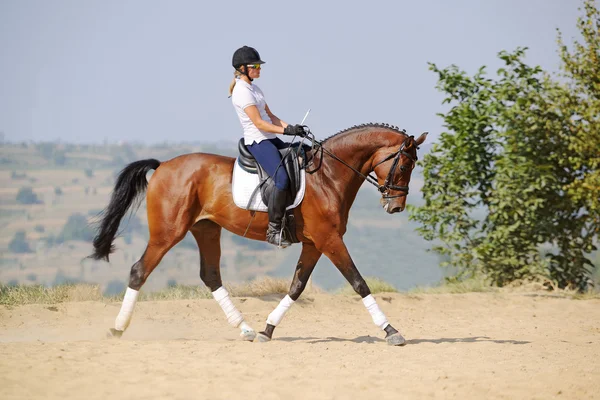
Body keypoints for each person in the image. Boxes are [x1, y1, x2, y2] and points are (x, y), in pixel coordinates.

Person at [229, 45, 306, 248]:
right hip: (258, 141)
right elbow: (260, 124)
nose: (259, 69)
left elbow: (271, 117)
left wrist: (293, 128)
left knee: (303, 151)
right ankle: (274, 229)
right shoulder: (241, 92)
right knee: (281, 179)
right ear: (243, 68)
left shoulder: (255, 88)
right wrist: (285, 132)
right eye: (255, 66)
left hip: (270, 137)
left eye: (259, 66)